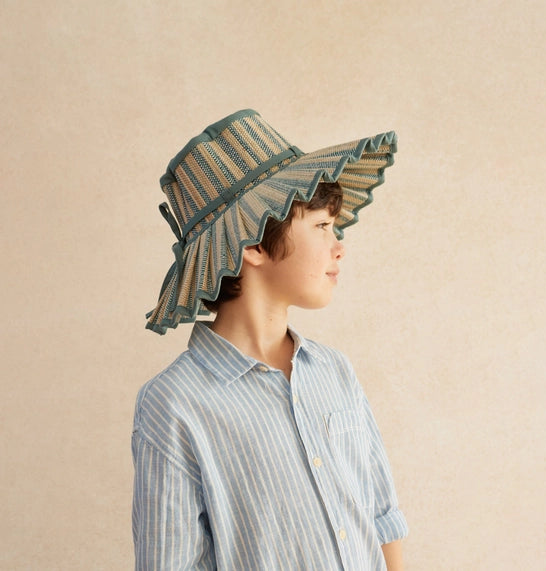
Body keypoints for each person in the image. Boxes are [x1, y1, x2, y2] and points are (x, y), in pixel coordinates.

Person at [133, 109, 408, 570]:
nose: (339, 246)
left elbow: (382, 516)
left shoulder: (334, 370)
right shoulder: (175, 404)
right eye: (322, 226)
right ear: (254, 244)